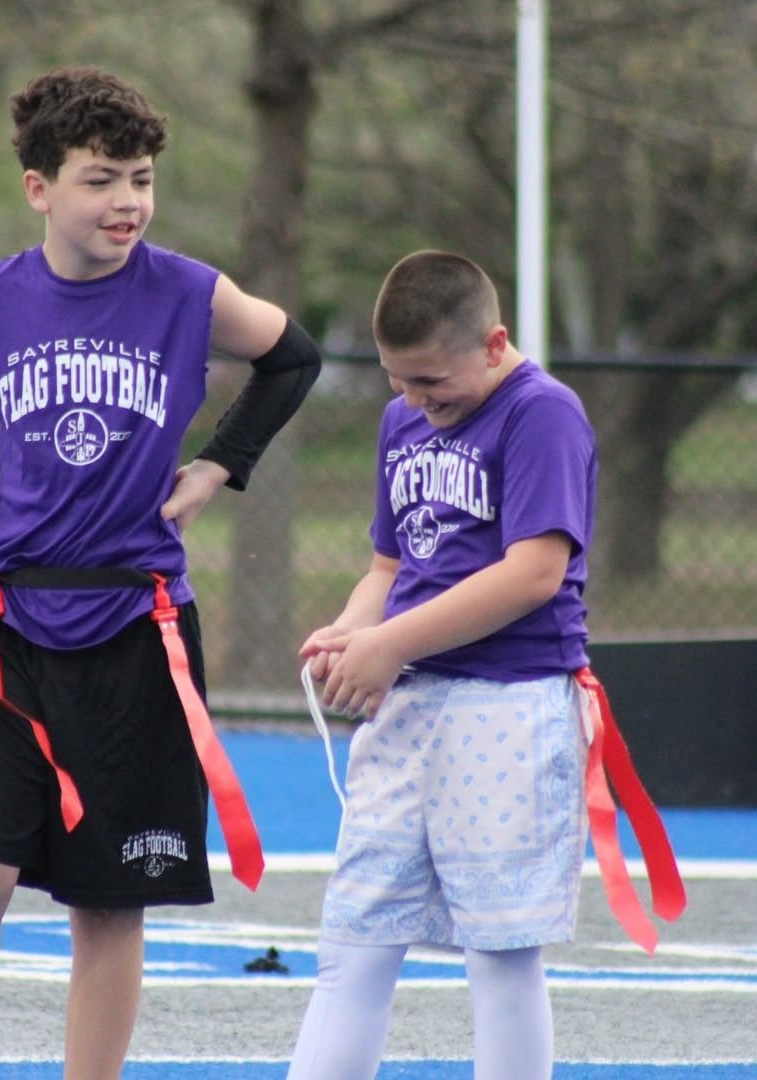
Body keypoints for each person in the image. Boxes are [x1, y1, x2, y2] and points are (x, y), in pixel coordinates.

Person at [0, 66, 321, 1080]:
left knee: (108, 901)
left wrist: (223, 462)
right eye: (100, 179)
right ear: (40, 187)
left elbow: (294, 357)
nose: (127, 201)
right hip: (12, 626)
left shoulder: (187, 290)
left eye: (140, 178)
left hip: (140, 628)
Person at [288, 250, 597, 1079]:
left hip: (509, 704)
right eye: (398, 382)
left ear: (494, 345)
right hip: (411, 704)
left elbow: (534, 573)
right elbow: (390, 571)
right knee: (355, 939)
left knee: (499, 952)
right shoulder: (402, 423)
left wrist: (391, 644)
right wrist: (353, 633)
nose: (415, 403)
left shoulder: (543, 413)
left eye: (431, 382)